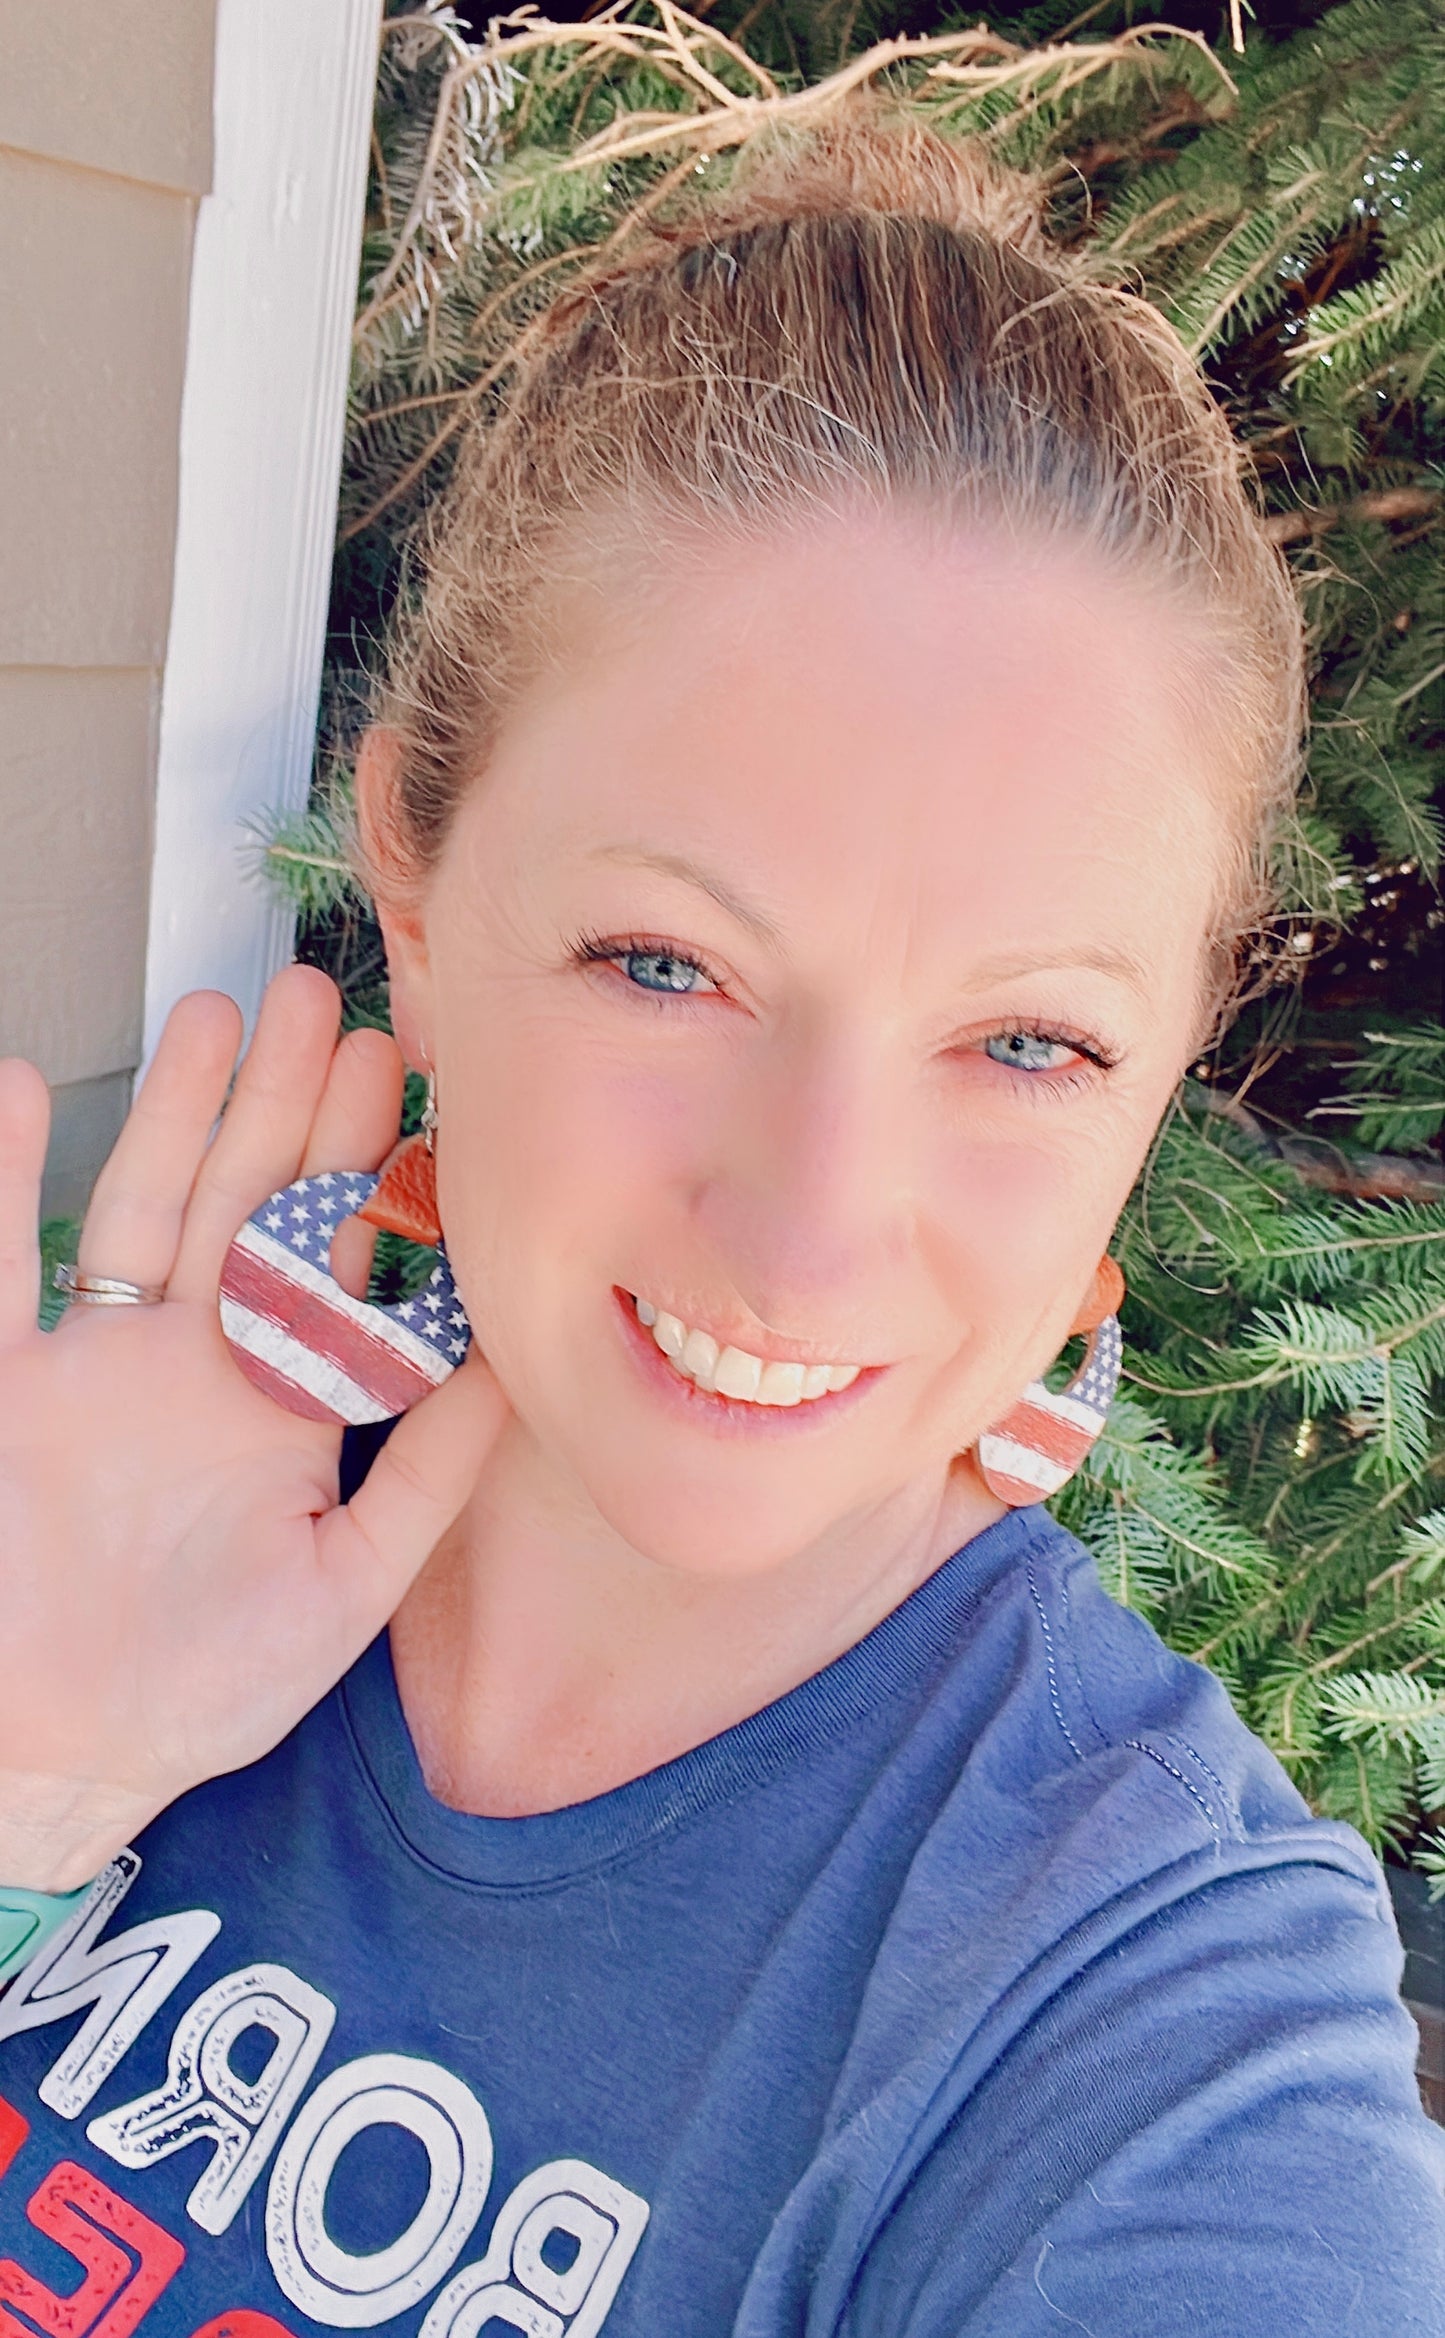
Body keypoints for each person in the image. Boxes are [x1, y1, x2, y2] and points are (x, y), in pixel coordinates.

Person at [0, 107, 1440, 2338]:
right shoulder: (65, 1504)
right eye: (670, 964)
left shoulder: (1140, 2000)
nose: (808, 1223)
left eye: (1030, 1043)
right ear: (414, 863)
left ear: (1163, 1072)